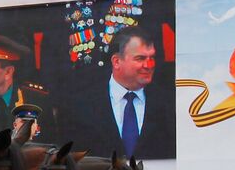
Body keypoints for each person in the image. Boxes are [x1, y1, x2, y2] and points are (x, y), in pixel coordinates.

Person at [68, 26, 175, 160]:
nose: (149, 65)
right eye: (140, 58)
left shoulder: (169, 103)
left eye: (152, 57)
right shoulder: (81, 105)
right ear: (117, 61)